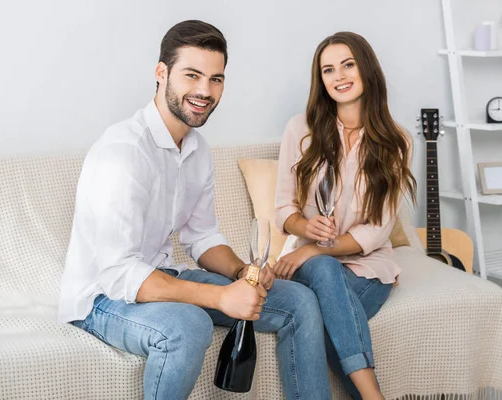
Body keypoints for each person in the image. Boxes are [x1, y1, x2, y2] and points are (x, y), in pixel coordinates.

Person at [58, 20, 332, 400]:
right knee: (188, 324)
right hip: (102, 297)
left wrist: (242, 272)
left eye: (216, 79)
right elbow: (120, 274)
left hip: (160, 275)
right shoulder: (123, 153)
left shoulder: (197, 149)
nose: (205, 91)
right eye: (192, 75)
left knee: (298, 300)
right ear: (161, 73)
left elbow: (201, 236)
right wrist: (222, 298)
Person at [274, 31, 417, 400]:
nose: (339, 76)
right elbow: (283, 209)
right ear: (320, 81)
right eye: (328, 70)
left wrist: (314, 249)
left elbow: (378, 230)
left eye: (348, 65)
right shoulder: (300, 129)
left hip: (369, 268)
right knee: (322, 269)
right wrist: (305, 229)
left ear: (366, 69)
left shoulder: (397, 141)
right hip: (309, 267)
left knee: (315, 323)